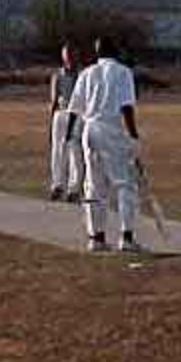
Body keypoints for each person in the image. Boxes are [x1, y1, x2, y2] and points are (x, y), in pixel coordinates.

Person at [67, 37, 143, 254]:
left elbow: (75, 109)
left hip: (89, 131)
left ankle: (96, 238)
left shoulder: (86, 73)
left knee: (94, 184)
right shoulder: (122, 72)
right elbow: (127, 107)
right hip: (111, 129)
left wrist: (70, 135)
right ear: (115, 51)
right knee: (125, 184)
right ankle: (126, 237)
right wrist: (134, 137)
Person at [48, 43, 83, 201]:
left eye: (71, 54)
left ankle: (74, 189)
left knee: (74, 150)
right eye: (66, 54)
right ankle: (57, 185)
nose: (69, 58)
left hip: (76, 114)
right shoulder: (58, 75)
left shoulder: (82, 76)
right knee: (58, 150)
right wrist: (51, 122)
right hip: (61, 114)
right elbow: (54, 99)